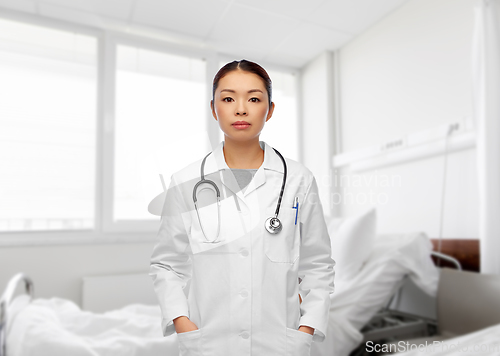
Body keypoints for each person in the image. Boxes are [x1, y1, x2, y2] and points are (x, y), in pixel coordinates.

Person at [149, 59, 335, 356]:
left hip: (279, 344)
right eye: (228, 98)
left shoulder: (299, 179)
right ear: (214, 109)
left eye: (253, 98)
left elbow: (318, 264)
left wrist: (307, 328)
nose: (240, 108)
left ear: (270, 110)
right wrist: (181, 321)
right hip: (209, 343)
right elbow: (167, 264)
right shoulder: (185, 181)